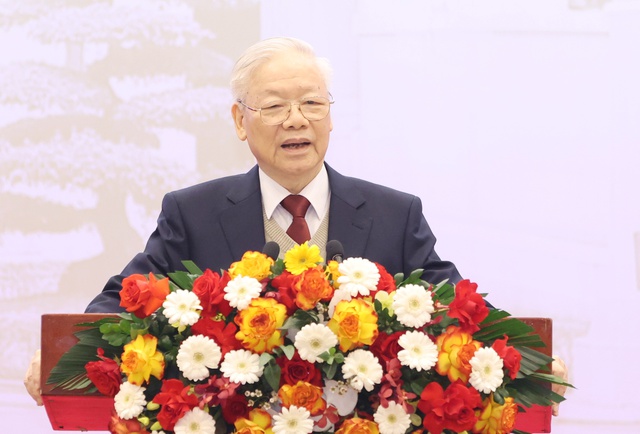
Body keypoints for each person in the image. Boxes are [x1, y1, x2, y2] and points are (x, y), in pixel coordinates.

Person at [24, 36, 567, 413]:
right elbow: (122, 299)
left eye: (312, 103)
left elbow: (457, 308)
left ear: (330, 114)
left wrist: (529, 364)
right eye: (275, 106)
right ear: (241, 120)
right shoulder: (192, 213)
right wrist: (61, 358)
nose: (296, 119)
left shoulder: (394, 214)